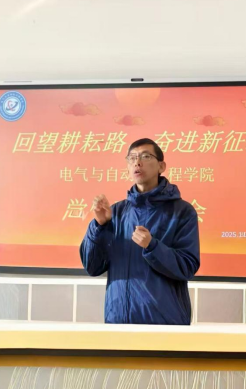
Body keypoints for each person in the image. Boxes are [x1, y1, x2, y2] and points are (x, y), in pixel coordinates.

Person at [80, 138, 200, 325]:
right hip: (118, 322)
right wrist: (99, 226)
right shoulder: (116, 213)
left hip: (165, 324)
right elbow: (92, 267)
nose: (137, 162)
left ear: (161, 166)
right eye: (132, 158)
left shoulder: (182, 212)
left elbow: (187, 266)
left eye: (145, 156)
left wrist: (152, 247)